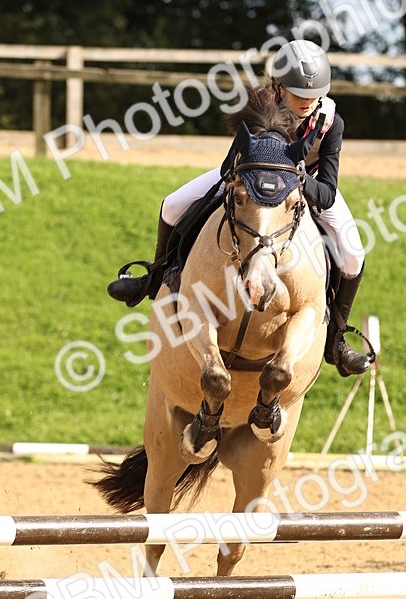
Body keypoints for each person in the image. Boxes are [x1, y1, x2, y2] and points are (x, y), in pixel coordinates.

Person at [107, 39, 371, 376]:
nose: (306, 101)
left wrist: (298, 181)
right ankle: (154, 279)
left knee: (353, 253)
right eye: (297, 93)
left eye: (314, 94)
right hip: (248, 178)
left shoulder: (331, 123)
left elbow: (329, 191)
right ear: (278, 87)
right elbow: (225, 166)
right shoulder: (259, 105)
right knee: (173, 205)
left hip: (307, 185)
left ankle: (336, 336)